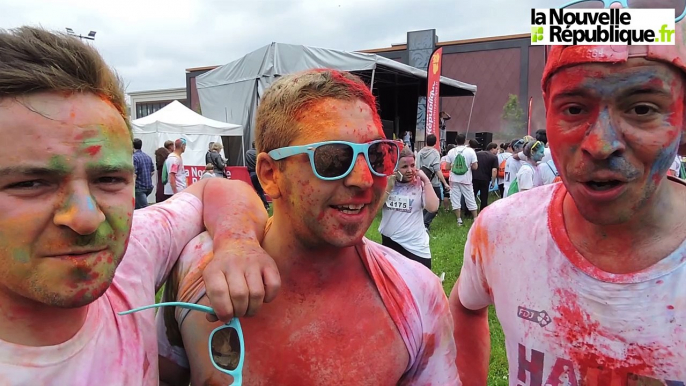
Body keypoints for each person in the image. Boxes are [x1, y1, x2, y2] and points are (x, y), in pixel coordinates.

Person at [0, 26, 280, 385]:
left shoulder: (131, 257)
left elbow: (214, 189)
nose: (87, 218)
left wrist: (237, 242)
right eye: (31, 184)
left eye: (109, 180)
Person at [156, 69, 459, 385]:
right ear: (271, 174)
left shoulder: (418, 294)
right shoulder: (199, 271)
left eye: (376, 155)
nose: (364, 179)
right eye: (331, 158)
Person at [450, 17, 686, 384]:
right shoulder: (501, 230)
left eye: (641, 109)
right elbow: (465, 308)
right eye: (574, 109)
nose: (601, 144)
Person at [380, 146, 439, 268]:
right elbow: (374, 208)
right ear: (395, 167)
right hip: (390, 242)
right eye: (404, 167)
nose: (410, 170)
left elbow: (432, 208)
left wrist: (426, 181)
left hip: (415, 245)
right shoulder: (386, 183)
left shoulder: (420, 184)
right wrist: (388, 188)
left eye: (412, 165)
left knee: (420, 283)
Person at [417, 134, 449, 231]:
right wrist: (445, 183)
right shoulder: (435, 153)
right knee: (436, 203)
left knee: (424, 202)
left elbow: (417, 166)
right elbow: (437, 169)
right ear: (435, 142)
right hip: (433, 183)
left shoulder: (420, 152)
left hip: (421, 180)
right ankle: (425, 224)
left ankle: (420, 223)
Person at [445, 133, 478, 226]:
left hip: (454, 180)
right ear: (465, 141)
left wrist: (453, 166)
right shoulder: (471, 151)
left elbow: (447, 167)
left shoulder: (451, 151)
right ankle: (475, 219)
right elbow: (475, 166)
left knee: (455, 199)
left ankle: (459, 220)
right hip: (466, 180)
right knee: (470, 198)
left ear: (456, 141)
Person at [472, 142, 499, 211]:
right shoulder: (494, 157)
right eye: (496, 149)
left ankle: (468, 211)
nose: (497, 151)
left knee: (472, 195)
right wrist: (493, 182)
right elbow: (494, 170)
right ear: (492, 148)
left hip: (474, 177)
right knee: (484, 196)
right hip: (485, 179)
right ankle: (483, 211)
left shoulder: (477, 154)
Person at [245, 141, 270, 209]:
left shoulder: (248, 153)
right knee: (261, 190)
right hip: (259, 172)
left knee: (258, 190)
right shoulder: (260, 153)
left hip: (252, 173)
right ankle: (265, 205)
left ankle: (261, 204)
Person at [133, 137, 155, 209]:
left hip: (139, 188)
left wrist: (132, 186)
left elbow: (134, 174)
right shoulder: (147, 157)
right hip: (148, 186)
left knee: (143, 209)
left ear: (132, 146)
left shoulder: (134, 157)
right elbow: (152, 172)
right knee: (137, 208)